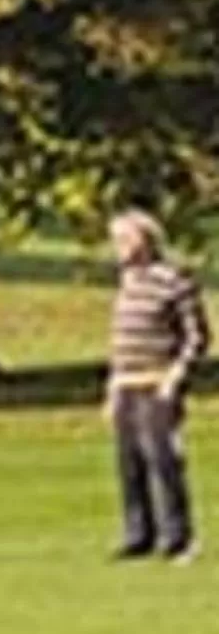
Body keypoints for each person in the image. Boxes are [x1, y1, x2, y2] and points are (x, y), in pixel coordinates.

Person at [103, 209, 204, 563]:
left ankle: (178, 537)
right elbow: (119, 340)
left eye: (124, 240)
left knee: (163, 460)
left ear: (144, 241)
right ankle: (139, 534)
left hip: (158, 381)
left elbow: (197, 336)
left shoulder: (173, 280)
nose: (118, 248)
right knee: (129, 463)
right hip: (127, 382)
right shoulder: (127, 282)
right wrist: (113, 387)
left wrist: (177, 375)